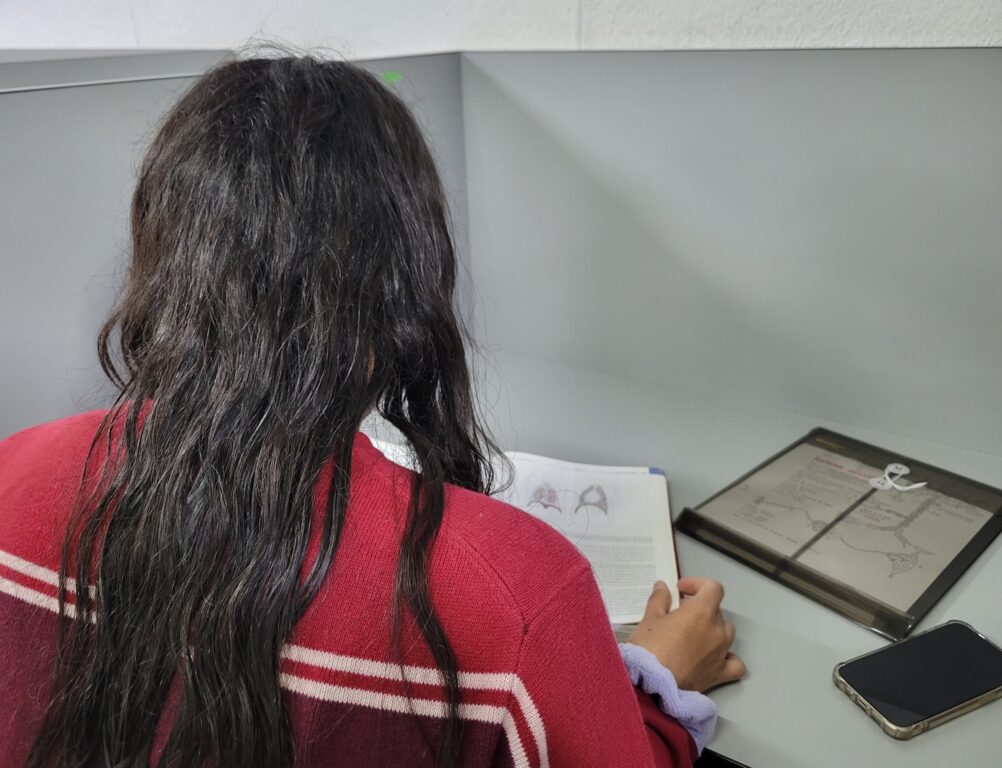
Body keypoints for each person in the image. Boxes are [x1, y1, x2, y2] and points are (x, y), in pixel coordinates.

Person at [0, 54, 745, 768]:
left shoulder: (10, 472)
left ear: (164, 257)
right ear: (401, 290)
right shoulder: (518, 596)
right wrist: (658, 683)